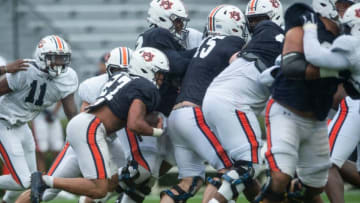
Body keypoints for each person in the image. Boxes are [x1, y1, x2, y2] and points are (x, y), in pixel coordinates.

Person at [30, 47, 170, 202]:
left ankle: (58, 188)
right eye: (159, 74)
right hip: (91, 130)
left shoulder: (126, 83)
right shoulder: (142, 86)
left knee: (125, 177)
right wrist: (158, 131)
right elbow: (134, 124)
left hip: (96, 133)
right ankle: (45, 181)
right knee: (99, 187)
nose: (161, 78)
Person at [161, 4, 248, 203]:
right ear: (234, 27)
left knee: (189, 182)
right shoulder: (232, 43)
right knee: (230, 169)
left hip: (175, 117)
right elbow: (241, 68)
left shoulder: (202, 46)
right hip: (194, 114)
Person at [257, 0, 343, 202]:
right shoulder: (305, 23)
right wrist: (334, 69)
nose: (347, 11)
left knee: (314, 188)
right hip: (288, 111)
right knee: (280, 177)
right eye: (343, 5)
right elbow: (291, 66)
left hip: (317, 120)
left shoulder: (346, 37)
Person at [201, 3, 284, 203]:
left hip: (215, 98)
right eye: (252, 20)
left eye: (259, 19)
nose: (255, 24)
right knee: (250, 166)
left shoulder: (256, 43)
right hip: (233, 103)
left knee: (238, 169)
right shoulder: (276, 34)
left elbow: (234, 59)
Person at [0, 34, 78, 198]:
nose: (59, 63)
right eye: (54, 58)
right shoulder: (25, 70)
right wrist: (5, 69)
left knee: (31, 179)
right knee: (24, 181)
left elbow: (72, 112)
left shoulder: (68, 77)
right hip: (3, 123)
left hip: (22, 125)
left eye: (62, 59)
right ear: (41, 57)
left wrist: (79, 132)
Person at [301, 3, 360, 203]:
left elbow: (315, 56)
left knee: (324, 157)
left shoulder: (351, 44)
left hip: (357, 104)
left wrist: (309, 30)